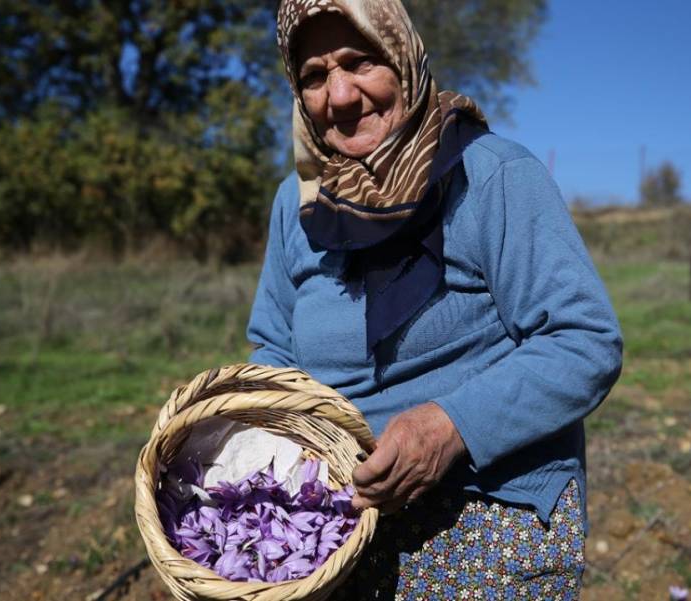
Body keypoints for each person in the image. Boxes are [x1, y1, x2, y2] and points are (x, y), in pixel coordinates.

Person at [247, 0, 622, 597]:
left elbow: (584, 341)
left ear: (403, 58)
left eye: (360, 61)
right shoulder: (298, 206)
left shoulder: (491, 175)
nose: (340, 96)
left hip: (488, 506)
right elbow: (273, 348)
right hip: (337, 518)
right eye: (315, 75)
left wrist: (450, 427)